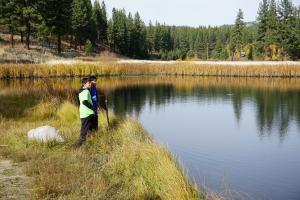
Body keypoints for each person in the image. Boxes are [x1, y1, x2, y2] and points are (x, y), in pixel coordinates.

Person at [77, 77, 95, 146]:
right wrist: (92, 107)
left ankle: (87, 142)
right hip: (86, 113)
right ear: (84, 84)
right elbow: (84, 102)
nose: (90, 84)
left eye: (90, 82)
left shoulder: (81, 90)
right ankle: (81, 144)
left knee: (87, 128)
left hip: (85, 113)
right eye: (89, 83)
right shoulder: (86, 91)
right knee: (84, 129)